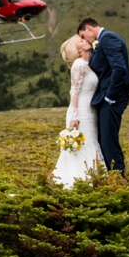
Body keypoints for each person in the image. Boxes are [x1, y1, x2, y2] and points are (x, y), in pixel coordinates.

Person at [78, 17, 129, 175]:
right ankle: (112, 176)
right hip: (107, 97)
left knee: (109, 141)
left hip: (113, 98)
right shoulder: (103, 40)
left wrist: (110, 96)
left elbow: (119, 68)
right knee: (105, 139)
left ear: (89, 28)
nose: (84, 40)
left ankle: (118, 178)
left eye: (83, 36)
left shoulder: (107, 38)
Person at [52, 34, 105, 188]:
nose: (85, 41)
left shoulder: (86, 64)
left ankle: (92, 178)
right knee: (83, 145)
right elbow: (74, 92)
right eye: (81, 41)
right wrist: (74, 117)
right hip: (81, 112)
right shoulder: (79, 64)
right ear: (77, 50)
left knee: (90, 142)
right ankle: (81, 181)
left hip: (89, 111)